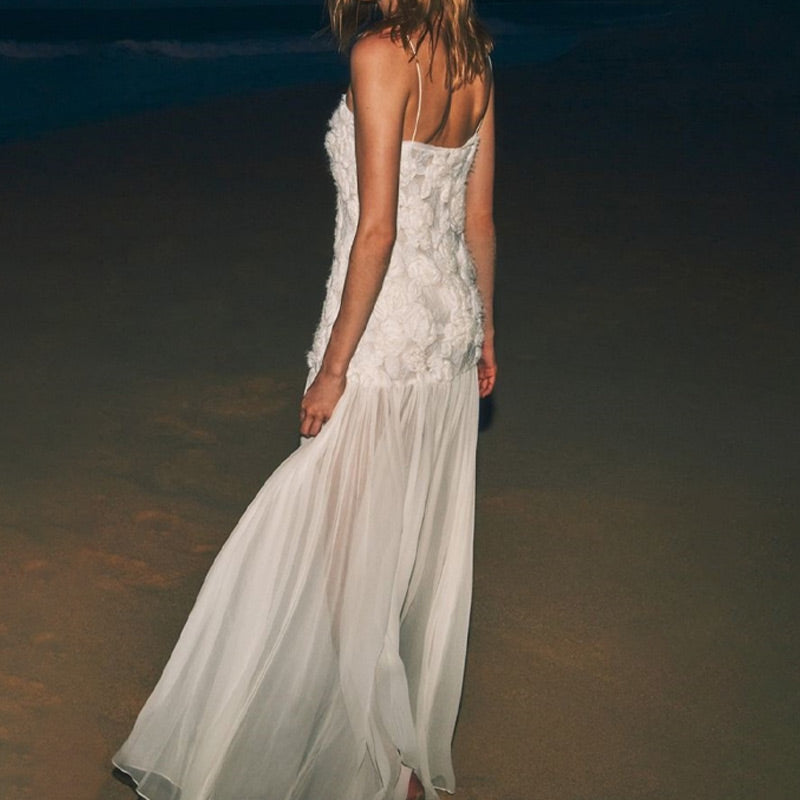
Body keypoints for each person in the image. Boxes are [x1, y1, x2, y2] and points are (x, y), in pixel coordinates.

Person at [112, 0, 495, 797]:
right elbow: (479, 219)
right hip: (450, 330)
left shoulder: (380, 53)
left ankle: (376, 757)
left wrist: (335, 368)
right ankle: (391, 754)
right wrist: (486, 331)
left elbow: (378, 229)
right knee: (395, 546)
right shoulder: (473, 57)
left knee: (334, 552)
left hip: (384, 340)